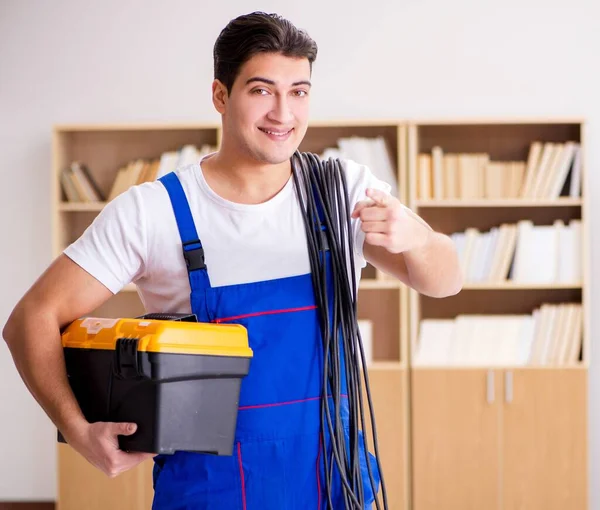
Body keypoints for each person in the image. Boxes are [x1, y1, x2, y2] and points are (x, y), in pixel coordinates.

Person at [2, 11, 462, 510]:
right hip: (207, 493)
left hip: (337, 485)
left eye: (299, 92)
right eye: (262, 90)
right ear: (221, 95)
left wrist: (416, 236)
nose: (283, 113)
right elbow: (31, 319)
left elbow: (444, 282)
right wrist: (78, 430)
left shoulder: (340, 192)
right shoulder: (154, 212)